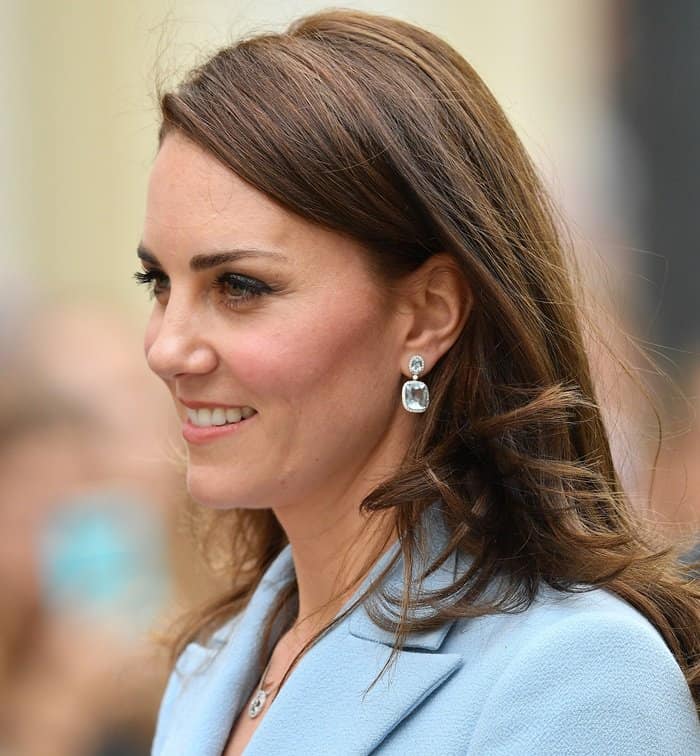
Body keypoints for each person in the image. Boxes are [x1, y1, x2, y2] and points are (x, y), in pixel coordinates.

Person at [137, 9, 700, 755]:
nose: (167, 347)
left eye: (239, 286)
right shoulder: (211, 667)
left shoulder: (576, 674)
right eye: (157, 282)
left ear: (427, 314)